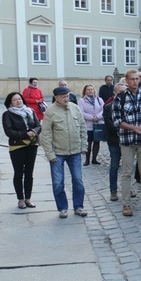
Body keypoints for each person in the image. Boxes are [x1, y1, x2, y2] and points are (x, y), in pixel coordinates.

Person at [112, 69, 141, 216]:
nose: (135, 81)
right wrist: (133, 128)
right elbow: (117, 120)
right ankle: (126, 203)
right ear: (126, 80)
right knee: (127, 172)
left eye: (137, 79)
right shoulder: (120, 97)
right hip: (127, 139)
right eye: (132, 79)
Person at [39, 86, 88, 218]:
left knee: (78, 180)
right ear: (56, 98)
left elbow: (83, 128)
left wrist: (84, 146)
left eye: (67, 96)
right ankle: (62, 208)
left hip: (75, 151)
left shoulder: (75, 108)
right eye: (63, 97)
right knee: (58, 182)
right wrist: (50, 154)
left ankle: (79, 206)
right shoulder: (50, 112)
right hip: (58, 153)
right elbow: (46, 135)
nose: (66, 99)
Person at [3, 92, 41, 209]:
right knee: (19, 173)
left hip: (32, 145)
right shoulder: (7, 114)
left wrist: (34, 132)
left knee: (29, 173)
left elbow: (38, 125)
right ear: (10, 103)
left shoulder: (30, 111)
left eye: (19, 99)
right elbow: (9, 131)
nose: (18, 101)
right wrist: (25, 134)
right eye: (15, 100)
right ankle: (20, 199)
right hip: (17, 147)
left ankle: (28, 198)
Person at [103, 82, 126, 201]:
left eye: (124, 91)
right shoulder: (108, 106)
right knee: (114, 166)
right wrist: (124, 127)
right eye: (120, 91)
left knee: (128, 167)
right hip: (114, 140)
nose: (122, 94)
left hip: (128, 140)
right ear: (114, 92)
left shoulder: (129, 105)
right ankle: (113, 190)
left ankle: (127, 189)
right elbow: (109, 123)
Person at [78, 84, 105, 166]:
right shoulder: (81, 101)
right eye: (88, 89)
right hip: (88, 124)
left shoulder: (99, 99)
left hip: (98, 123)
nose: (90, 91)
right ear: (85, 91)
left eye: (91, 89)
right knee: (88, 142)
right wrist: (91, 118)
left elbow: (103, 110)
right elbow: (81, 112)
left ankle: (94, 159)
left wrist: (97, 117)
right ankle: (87, 159)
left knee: (97, 142)